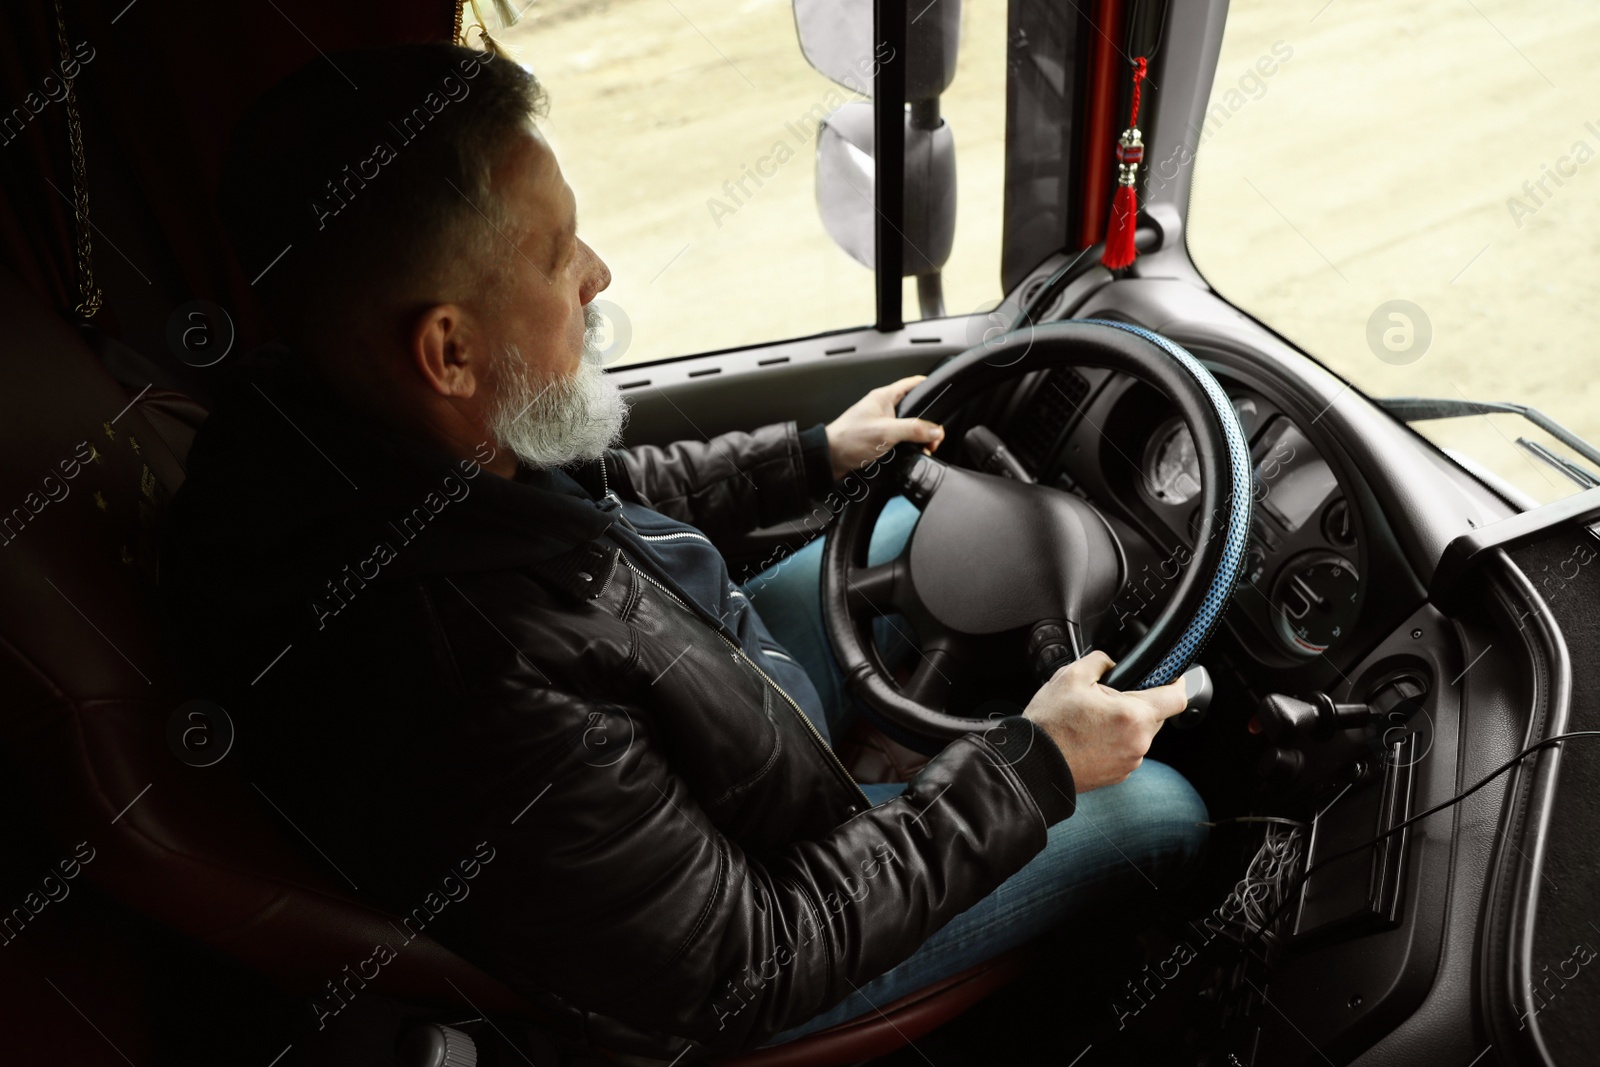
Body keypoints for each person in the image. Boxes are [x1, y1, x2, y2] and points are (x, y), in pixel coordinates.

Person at [160, 42, 1207, 1058]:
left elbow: (602, 497)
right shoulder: (464, 680)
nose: (595, 272)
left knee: (904, 526)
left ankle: (901, 769)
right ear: (449, 349)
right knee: (1161, 804)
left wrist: (809, 457)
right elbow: (733, 967)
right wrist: (1029, 770)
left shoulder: (353, 433)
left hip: (700, 752)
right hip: (752, 937)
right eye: (555, 252)